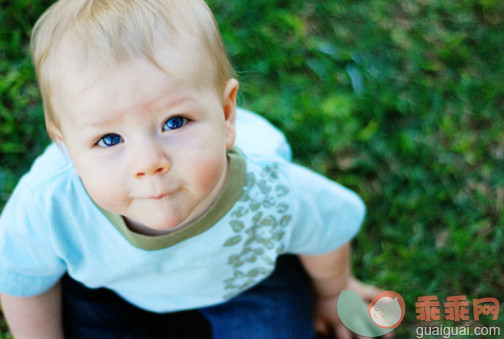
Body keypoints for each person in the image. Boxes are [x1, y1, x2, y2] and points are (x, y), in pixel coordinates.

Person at [0, 0, 382, 338]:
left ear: (227, 114)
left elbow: (327, 229)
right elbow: (21, 280)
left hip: (245, 280)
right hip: (111, 288)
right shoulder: (49, 205)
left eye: (175, 122)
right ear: (64, 147)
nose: (149, 162)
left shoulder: (266, 187)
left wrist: (333, 293)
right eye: (110, 140)